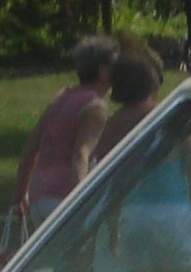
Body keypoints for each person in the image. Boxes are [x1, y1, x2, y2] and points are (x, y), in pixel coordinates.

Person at [91, 46, 191, 272]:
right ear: (151, 82)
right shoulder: (172, 120)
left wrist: (113, 227)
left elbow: (110, 184)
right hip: (174, 216)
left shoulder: (112, 127)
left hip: (133, 219)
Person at [11, 34, 115, 231]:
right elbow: (81, 155)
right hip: (64, 197)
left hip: (39, 197)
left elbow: (30, 149)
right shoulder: (95, 107)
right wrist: (81, 201)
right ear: (102, 72)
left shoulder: (61, 98)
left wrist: (20, 194)